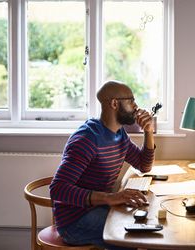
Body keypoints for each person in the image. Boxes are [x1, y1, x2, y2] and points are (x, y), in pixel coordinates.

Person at [50, 80, 155, 249]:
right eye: (131, 101)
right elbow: (57, 189)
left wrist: (148, 131)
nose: (136, 106)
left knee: (142, 223)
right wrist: (111, 197)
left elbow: (144, 165)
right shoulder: (87, 139)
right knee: (128, 236)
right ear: (115, 103)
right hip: (74, 221)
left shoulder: (119, 134)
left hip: (98, 208)